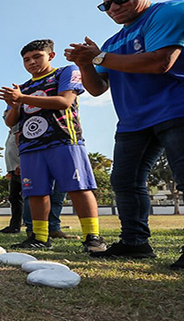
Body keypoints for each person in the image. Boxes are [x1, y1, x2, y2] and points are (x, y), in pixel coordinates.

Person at [64, 0, 184, 268]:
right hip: (133, 121)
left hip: (176, 109)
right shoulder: (112, 42)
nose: (113, 8)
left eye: (120, 0)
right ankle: (134, 242)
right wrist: (85, 64)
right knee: (125, 182)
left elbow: (161, 62)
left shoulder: (169, 11)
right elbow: (97, 88)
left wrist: (98, 57)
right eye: (105, 4)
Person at [0, 39, 106, 252]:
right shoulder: (24, 87)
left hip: (64, 140)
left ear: (51, 56)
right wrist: (16, 104)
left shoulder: (65, 72)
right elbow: (11, 122)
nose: (31, 62)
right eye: (26, 59)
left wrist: (23, 97)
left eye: (37, 56)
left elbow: (64, 101)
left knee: (79, 187)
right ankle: (39, 236)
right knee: (36, 192)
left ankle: (92, 236)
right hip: (30, 146)